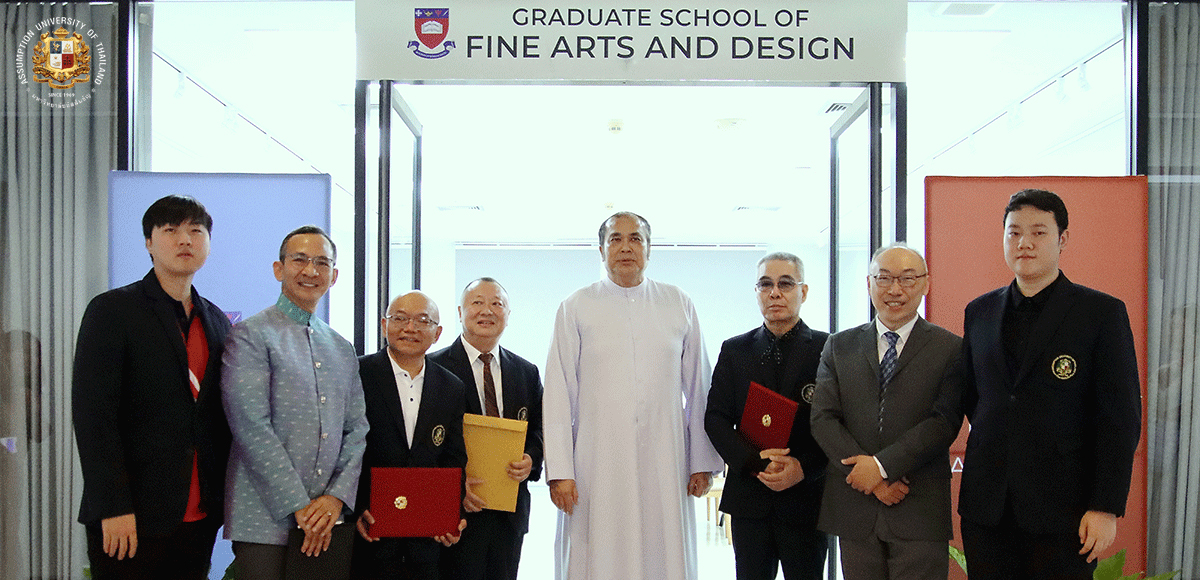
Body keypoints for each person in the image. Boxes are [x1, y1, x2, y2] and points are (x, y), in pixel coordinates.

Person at [958, 189, 1141, 579]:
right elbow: (977, 399)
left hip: (1066, 510)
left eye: (1039, 232)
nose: (1024, 243)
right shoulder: (979, 312)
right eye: (1014, 232)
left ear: (1063, 239)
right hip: (988, 508)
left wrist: (1105, 506)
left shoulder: (1100, 313)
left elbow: (1119, 417)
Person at [543, 211, 724, 580]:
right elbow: (558, 393)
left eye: (635, 239)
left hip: (665, 458)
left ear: (649, 249)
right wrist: (559, 471)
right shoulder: (575, 306)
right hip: (595, 462)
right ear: (601, 249)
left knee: (664, 549)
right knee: (597, 550)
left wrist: (701, 461)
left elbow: (699, 386)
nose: (625, 247)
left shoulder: (678, 302)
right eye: (615, 239)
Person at [72, 195, 232, 579]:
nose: (185, 240)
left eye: (196, 231)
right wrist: (113, 506)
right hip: (131, 515)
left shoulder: (217, 321)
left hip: (198, 516)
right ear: (149, 242)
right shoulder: (113, 310)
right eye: (171, 230)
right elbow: (94, 417)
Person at [222, 225, 369, 580]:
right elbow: (251, 426)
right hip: (263, 519)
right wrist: (298, 505)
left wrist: (335, 499)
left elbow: (357, 429)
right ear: (279, 269)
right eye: (299, 260)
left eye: (322, 262)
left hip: (327, 518)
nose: (311, 270)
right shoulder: (251, 335)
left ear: (334, 276)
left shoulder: (341, 348)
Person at [810, 244, 963, 580]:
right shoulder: (839, 345)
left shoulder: (951, 348)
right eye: (884, 278)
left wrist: (881, 467)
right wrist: (869, 477)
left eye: (907, 279)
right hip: (855, 508)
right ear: (869, 284)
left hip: (919, 507)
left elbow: (944, 422)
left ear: (926, 283)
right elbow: (823, 418)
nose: (895, 289)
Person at [704, 252, 830, 580]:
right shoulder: (735, 350)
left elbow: (838, 423)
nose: (775, 293)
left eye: (785, 284)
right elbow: (715, 418)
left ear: (803, 292)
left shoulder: (828, 349)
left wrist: (802, 467)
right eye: (765, 284)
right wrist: (754, 462)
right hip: (750, 497)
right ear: (757, 292)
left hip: (806, 498)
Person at [430, 278, 544, 580]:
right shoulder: (433, 368)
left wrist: (532, 458)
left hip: (509, 514)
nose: (487, 311)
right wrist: (453, 489)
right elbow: (425, 440)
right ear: (460, 311)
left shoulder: (526, 372)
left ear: (508, 314)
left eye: (497, 304)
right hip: (455, 515)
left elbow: (540, 429)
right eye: (477, 302)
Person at [353, 291, 469, 580]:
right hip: (369, 531)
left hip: (426, 541)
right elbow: (344, 448)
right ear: (384, 325)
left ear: (437, 333)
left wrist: (451, 514)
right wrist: (357, 506)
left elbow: (454, 458)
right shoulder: (357, 374)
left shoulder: (451, 387)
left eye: (422, 321)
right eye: (400, 318)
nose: (410, 328)